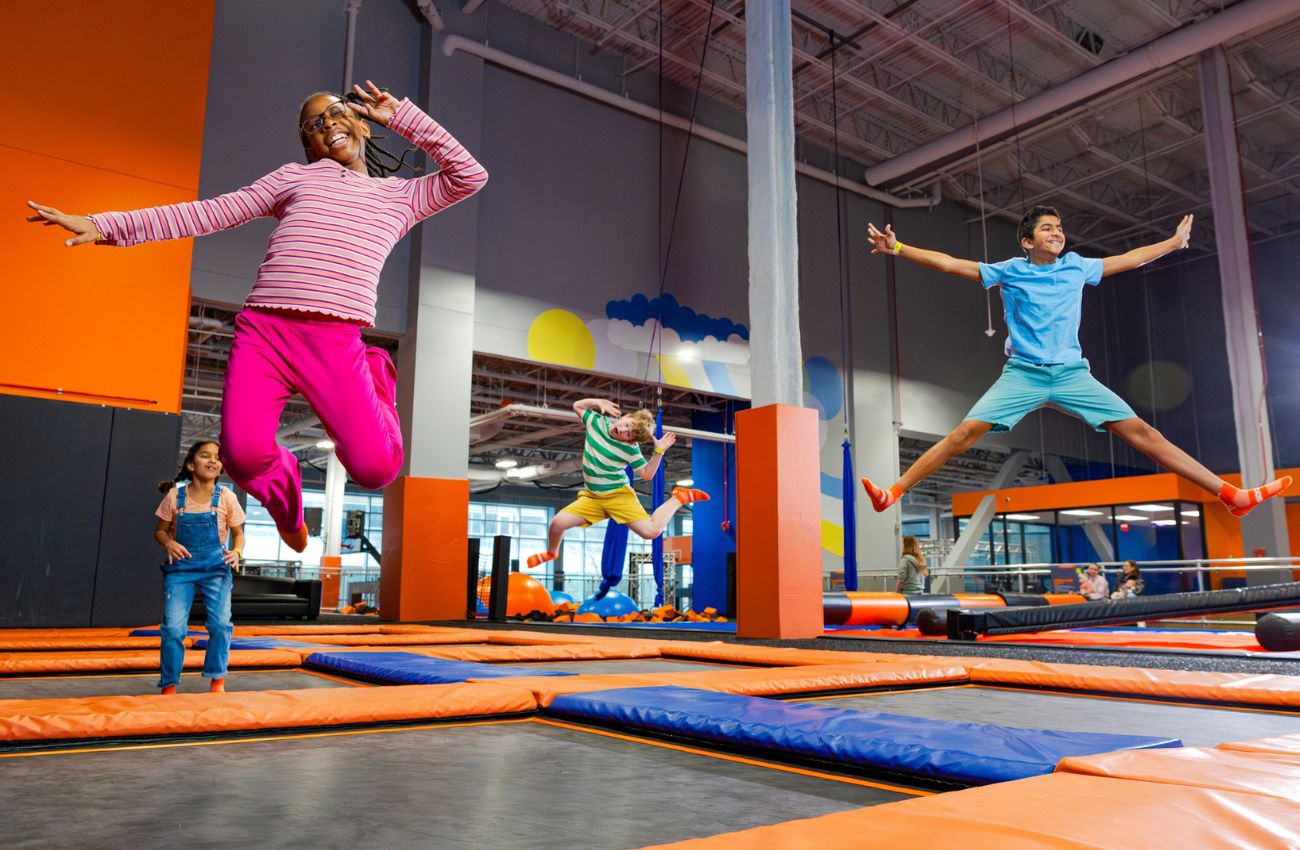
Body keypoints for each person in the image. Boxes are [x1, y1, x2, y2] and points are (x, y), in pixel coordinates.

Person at [28, 81, 488, 553]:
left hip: (336, 338)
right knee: (244, 459)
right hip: (265, 333)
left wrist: (403, 117)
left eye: (335, 112)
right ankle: (286, 504)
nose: (327, 123)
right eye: (314, 123)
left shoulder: (402, 197)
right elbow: (209, 213)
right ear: (309, 145)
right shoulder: (295, 178)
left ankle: (376, 372)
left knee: (377, 471)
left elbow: (470, 176)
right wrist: (105, 224)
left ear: (366, 127)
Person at [860, 208, 1291, 518]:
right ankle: (892, 493)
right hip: (1023, 375)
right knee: (963, 433)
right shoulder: (1011, 270)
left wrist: (1172, 244)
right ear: (1028, 241)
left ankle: (1230, 495)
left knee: (1143, 433)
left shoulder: (1076, 268)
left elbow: (1129, 258)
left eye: (1060, 228)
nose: (1057, 233)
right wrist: (898, 247)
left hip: (1071, 375)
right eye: (1047, 229)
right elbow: (953, 264)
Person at [525, 398, 710, 569]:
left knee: (651, 531)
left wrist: (658, 452)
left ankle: (679, 498)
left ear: (631, 440)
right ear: (626, 416)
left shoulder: (630, 449)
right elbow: (578, 406)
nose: (622, 430)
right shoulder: (596, 422)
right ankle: (552, 553)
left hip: (617, 496)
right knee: (557, 523)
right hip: (593, 497)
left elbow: (646, 474)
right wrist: (597, 402)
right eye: (626, 425)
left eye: (628, 433)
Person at [153, 440, 245, 694]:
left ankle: (217, 678)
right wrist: (169, 542)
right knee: (173, 628)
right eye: (206, 456)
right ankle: (169, 683)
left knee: (220, 625)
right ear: (192, 465)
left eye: (217, 456)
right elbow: (159, 531)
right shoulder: (175, 496)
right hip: (181, 569)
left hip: (216, 568)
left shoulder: (227, 497)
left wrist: (237, 552)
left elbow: (238, 535)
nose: (213, 460)